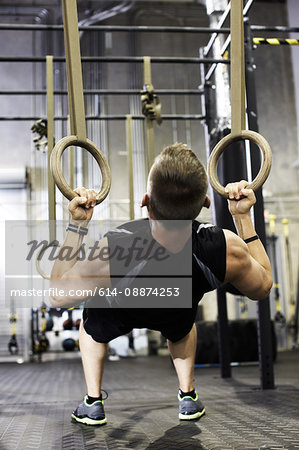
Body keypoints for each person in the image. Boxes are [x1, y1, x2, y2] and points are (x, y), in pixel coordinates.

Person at [50, 143, 272, 426]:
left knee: (91, 326)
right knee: (182, 328)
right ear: (205, 202)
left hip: (117, 310)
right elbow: (263, 288)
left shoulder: (115, 246)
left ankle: (93, 401)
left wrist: (77, 225)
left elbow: (58, 295)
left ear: (146, 202)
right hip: (176, 312)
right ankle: (187, 395)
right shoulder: (223, 247)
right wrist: (242, 217)